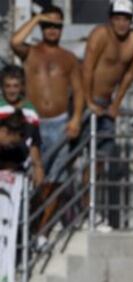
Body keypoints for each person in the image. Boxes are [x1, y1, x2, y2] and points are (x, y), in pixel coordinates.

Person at [82, 0, 133, 228]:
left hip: (106, 105)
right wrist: (87, 101)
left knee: (100, 161)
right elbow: (86, 68)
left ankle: (91, 212)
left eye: (125, 18)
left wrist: (116, 103)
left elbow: (129, 73)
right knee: (76, 159)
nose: (121, 23)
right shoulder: (100, 35)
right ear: (110, 18)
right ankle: (80, 212)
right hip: (85, 101)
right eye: (117, 18)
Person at [10, 5, 84, 183]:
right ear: (42, 27)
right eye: (48, 25)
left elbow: (78, 90)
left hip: (59, 123)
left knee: (56, 178)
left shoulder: (69, 58)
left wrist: (76, 118)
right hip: (33, 123)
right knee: (32, 174)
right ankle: (34, 211)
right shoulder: (30, 52)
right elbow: (15, 42)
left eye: (56, 25)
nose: (52, 30)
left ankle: (49, 212)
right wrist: (37, 19)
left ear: (62, 28)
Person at [0, 65, 44, 187]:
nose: (12, 90)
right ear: (2, 87)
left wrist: (38, 167)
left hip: (19, 172)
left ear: (22, 87)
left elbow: (34, 143)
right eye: (7, 86)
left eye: (15, 86)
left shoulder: (30, 111)